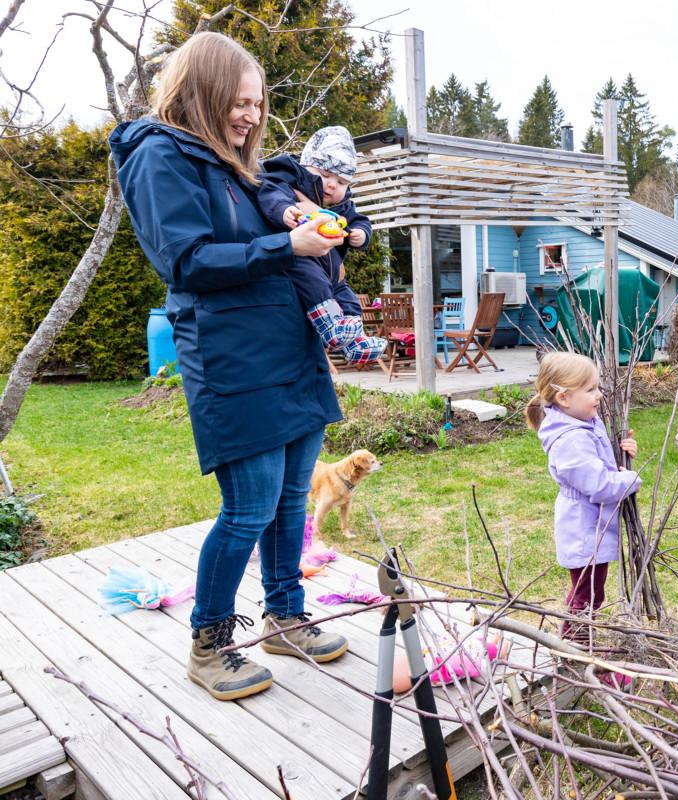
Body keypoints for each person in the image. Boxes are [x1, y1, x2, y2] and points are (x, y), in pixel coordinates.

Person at [110, 32, 350, 701]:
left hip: (286, 350)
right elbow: (184, 262)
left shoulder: (236, 168)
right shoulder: (159, 154)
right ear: (203, 92)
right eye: (237, 102)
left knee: (290, 498)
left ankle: (283, 614)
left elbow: (273, 230)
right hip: (230, 356)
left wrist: (309, 227)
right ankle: (211, 642)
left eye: (256, 103)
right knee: (248, 507)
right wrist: (285, 245)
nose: (249, 115)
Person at [525, 354, 639, 665]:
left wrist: (622, 454)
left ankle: (577, 646)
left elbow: (598, 463)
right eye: (590, 390)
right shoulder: (571, 440)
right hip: (583, 527)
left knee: (588, 591)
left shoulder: (582, 422)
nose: (599, 394)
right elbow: (599, 484)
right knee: (586, 595)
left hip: (591, 524)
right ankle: (574, 650)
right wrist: (629, 480)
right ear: (563, 398)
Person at [256, 125, 386, 365]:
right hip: (303, 259)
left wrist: (361, 233)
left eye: (341, 181)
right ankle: (332, 327)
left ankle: (355, 338)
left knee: (348, 298)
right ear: (306, 167)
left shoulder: (344, 206)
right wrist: (284, 211)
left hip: (334, 270)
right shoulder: (289, 183)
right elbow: (271, 194)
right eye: (325, 176)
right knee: (315, 286)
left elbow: (360, 221)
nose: (332, 185)